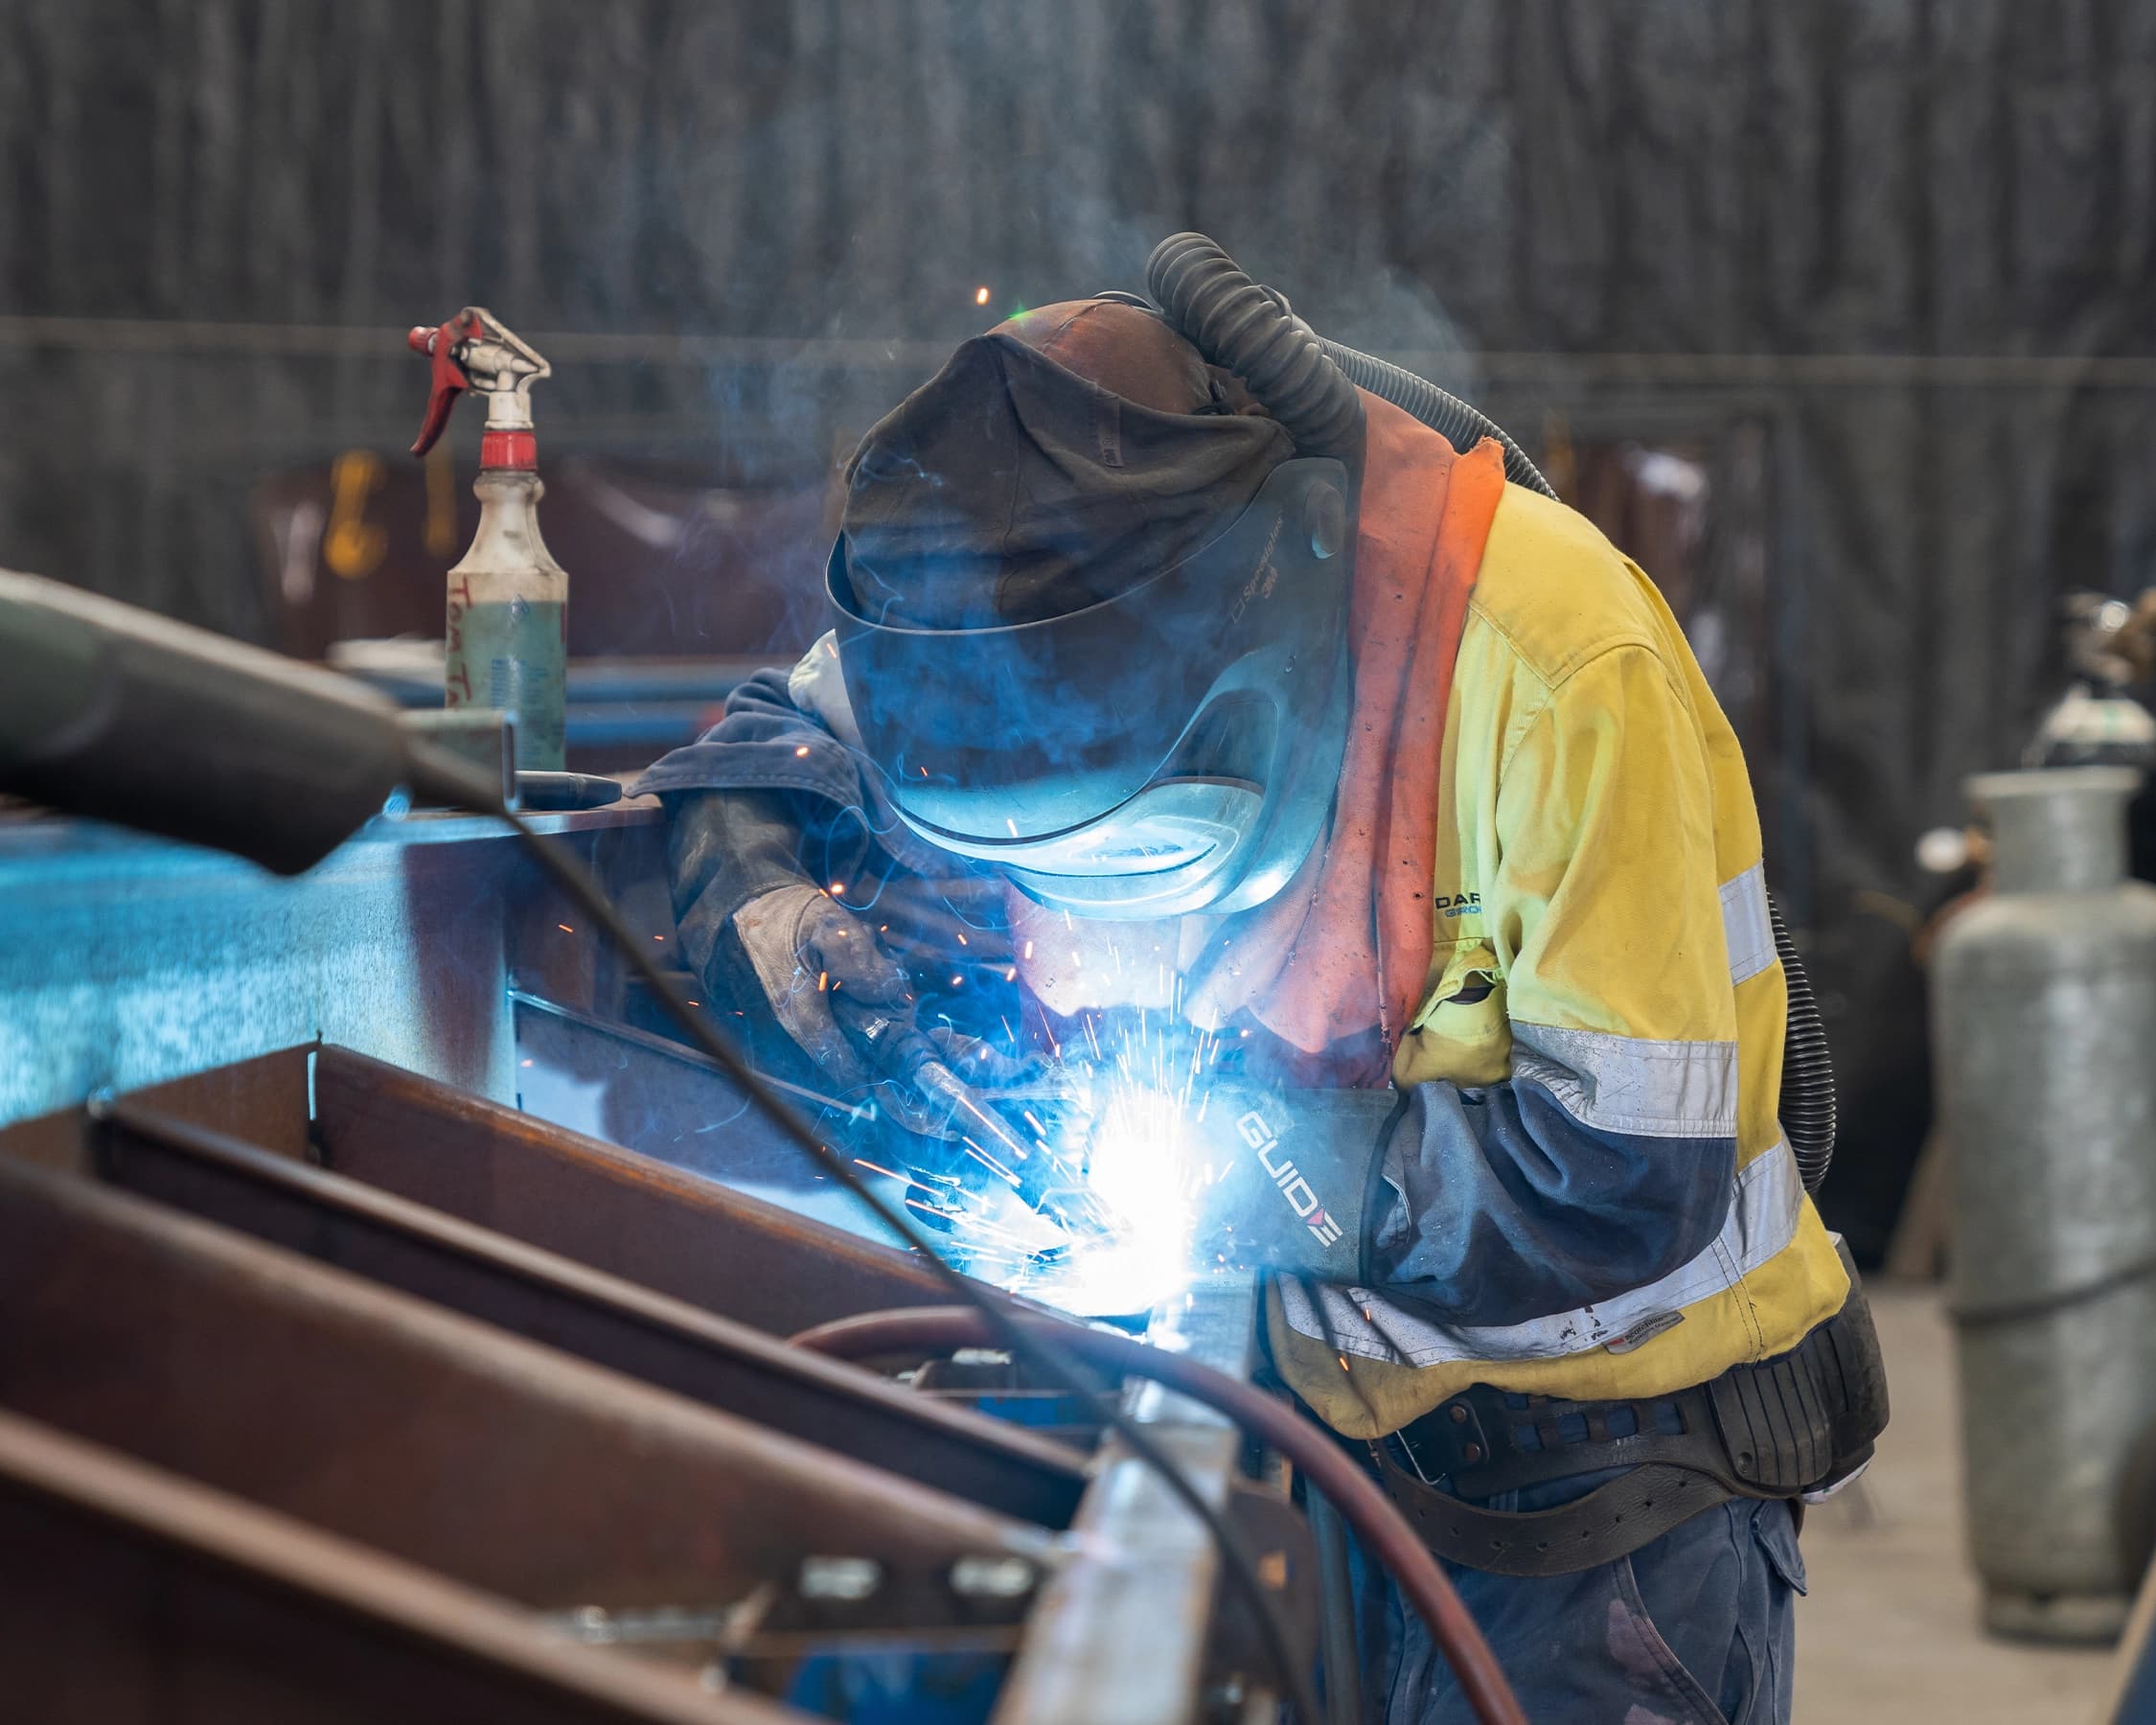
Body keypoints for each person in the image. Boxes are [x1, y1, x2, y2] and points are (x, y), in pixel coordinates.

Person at [640, 238, 1883, 1725]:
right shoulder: (1014, 617)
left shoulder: (1555, 662)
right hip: (1343, 1460)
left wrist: (1261, 1159)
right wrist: (758, 893)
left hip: (1621, 1509)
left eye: (1135, 848)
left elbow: (1623, 1180)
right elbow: (767, 734)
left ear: (1262, 634)